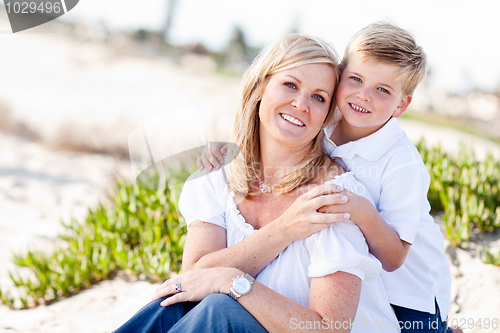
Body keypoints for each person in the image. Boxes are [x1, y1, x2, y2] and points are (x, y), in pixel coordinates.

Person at [114, 34, 400, 333]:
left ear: (327, 115)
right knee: (174, 305)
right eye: (290, 84)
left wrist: (233, 282)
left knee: (219, 308)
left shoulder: (332, 198)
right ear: (260, 87)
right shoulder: (217, 172)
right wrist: (283, 229)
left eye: (319, 97)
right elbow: (193, 279)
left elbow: (330, 328)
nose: (301, 103)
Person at [199, 22, 457, 333]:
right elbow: (279, 132)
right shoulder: (328, 115)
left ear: (402, 104)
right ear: (340, 76)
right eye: (356, 79)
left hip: (409, 295)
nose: (364, 96)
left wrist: (361, 210)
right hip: (365, 281)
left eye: (383, 90)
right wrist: (232, 149)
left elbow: (394, 257)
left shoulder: (402, 164)